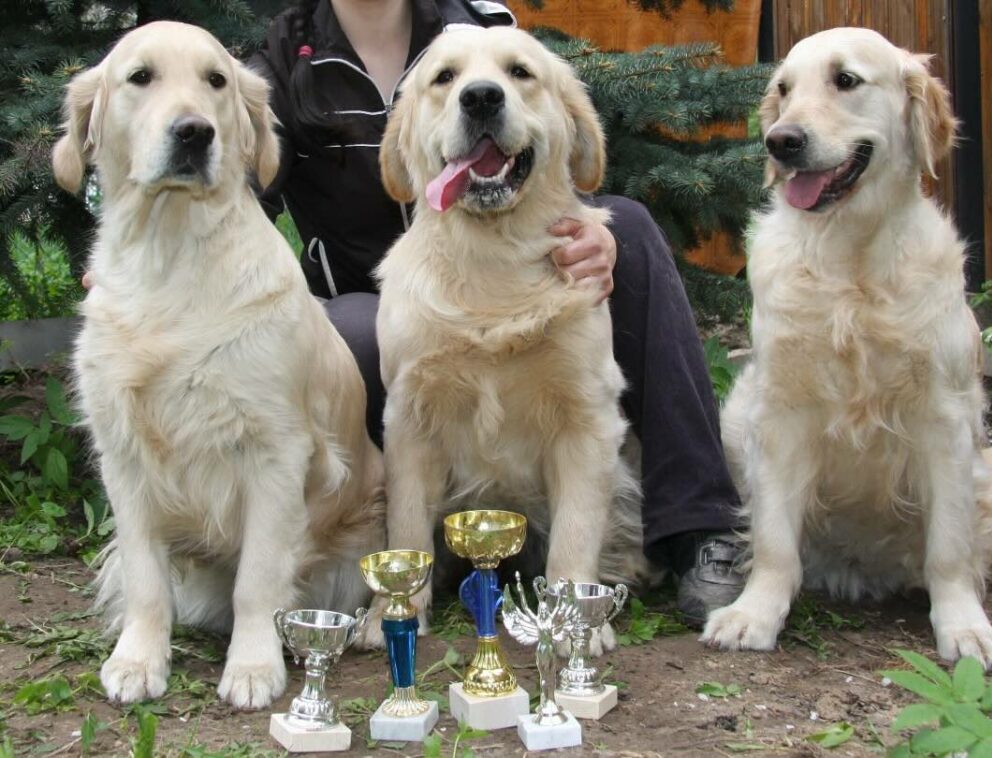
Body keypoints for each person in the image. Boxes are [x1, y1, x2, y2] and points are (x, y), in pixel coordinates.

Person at [249, 0, 744, 624]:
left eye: (512, 77)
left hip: (531, 263)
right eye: (448, 82)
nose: (481, 90)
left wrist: (600, 236)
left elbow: (549, 144)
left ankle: (699, 526)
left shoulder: (474, 22)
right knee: (354, 330)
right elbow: (239, 190)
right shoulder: (282, 59)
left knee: (632, 230)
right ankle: (395, 561)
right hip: (385, 299)